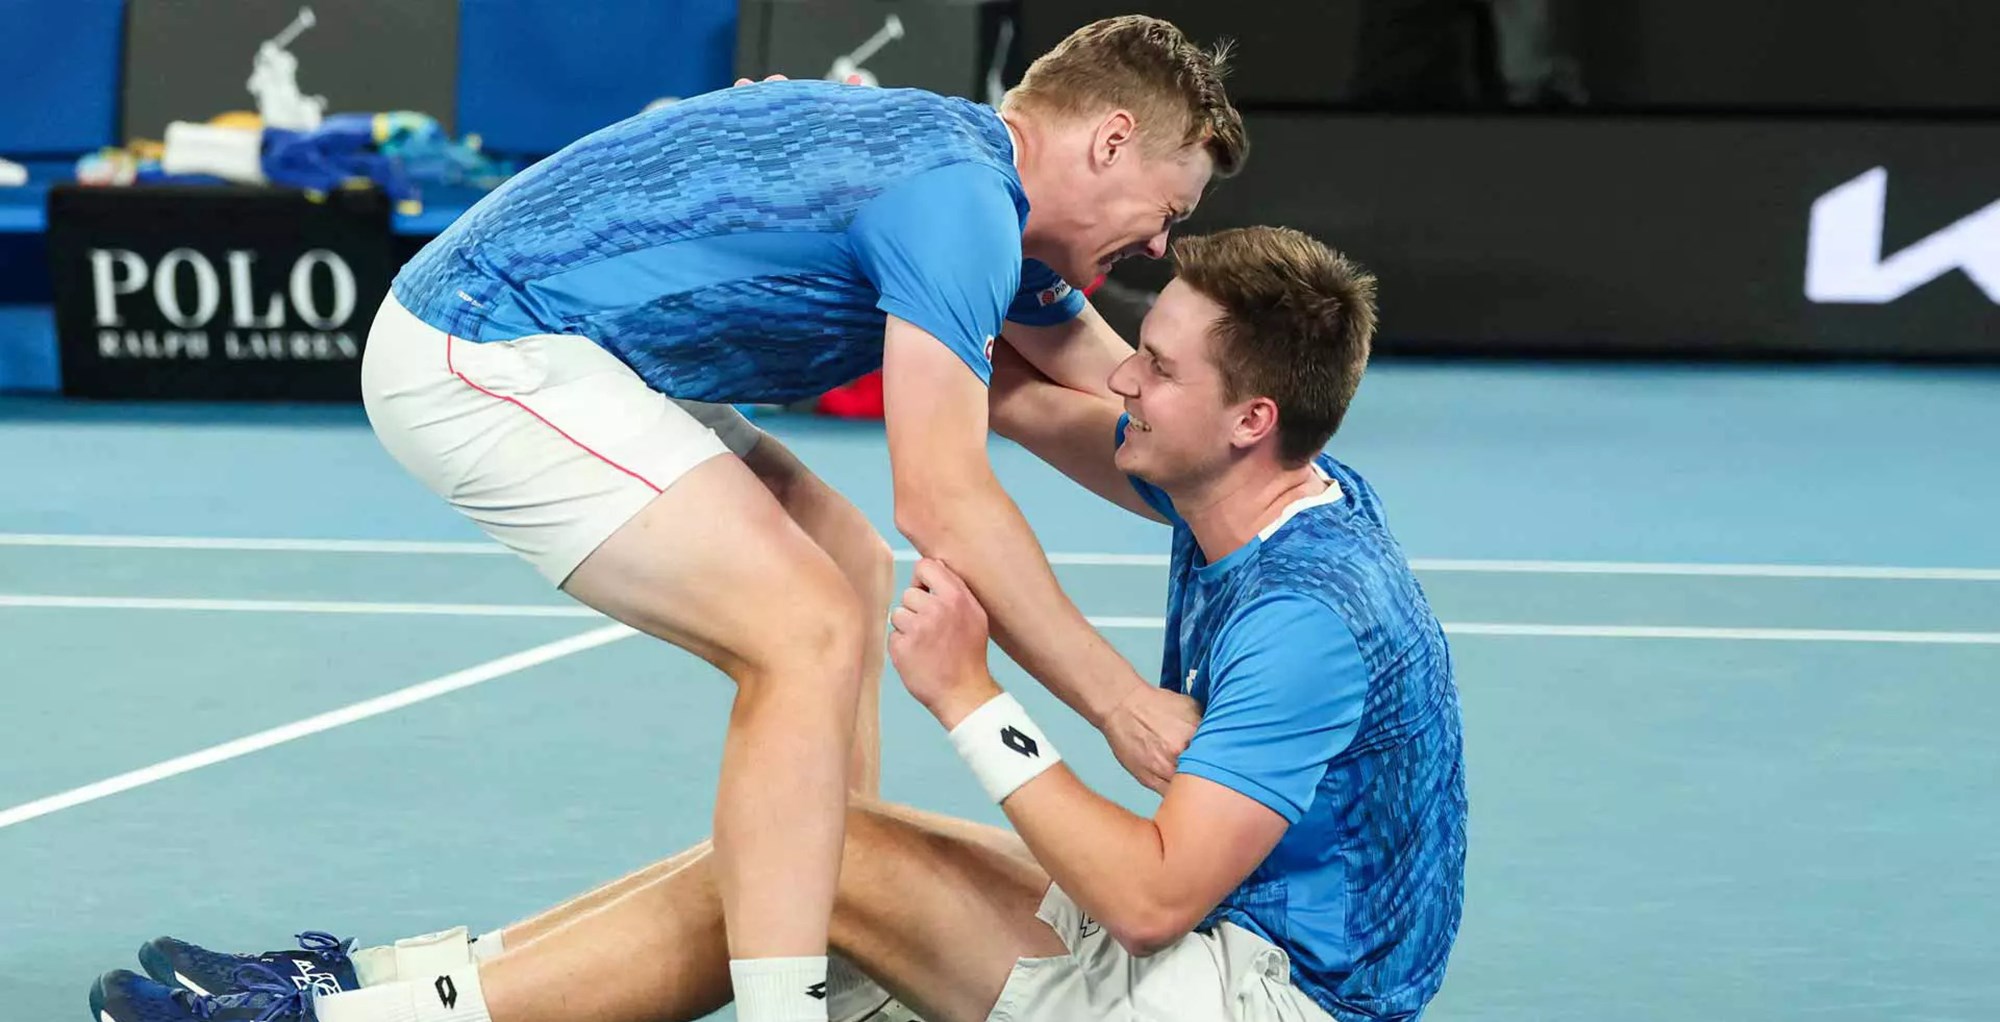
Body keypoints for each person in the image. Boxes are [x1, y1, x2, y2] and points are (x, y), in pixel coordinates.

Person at [117, 16, 1243, 1022]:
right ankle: (786, 995)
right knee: (803, 629)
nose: (1158, 244)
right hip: (485, 344)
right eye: (1169, 207)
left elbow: (1139, 420)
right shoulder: (959, 202)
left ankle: (802, 949)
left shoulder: (975, 190)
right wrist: (1118, 704)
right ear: (1105, 141)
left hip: (585, 352)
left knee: (841, 565)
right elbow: (944, 495)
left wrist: (1275, 481)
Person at [91, 226, 1467, 1022]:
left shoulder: (1307, 617)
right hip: (1223, 941)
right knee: (803, 835)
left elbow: (1152, 892)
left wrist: (970, 699)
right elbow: (999, 390)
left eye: (1155, 367)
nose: (1122, 380)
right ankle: (383, 981)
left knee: (821, 861)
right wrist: (929, 245)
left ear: (1249, 418)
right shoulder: (1269, 486)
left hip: (1266, 1001)